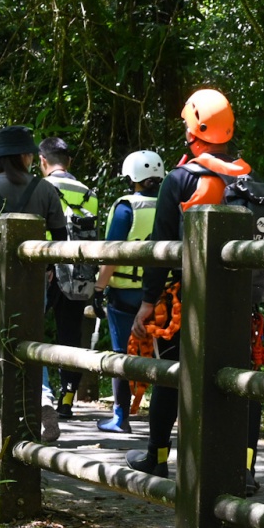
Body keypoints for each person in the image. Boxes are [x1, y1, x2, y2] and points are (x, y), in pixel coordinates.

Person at [125, 88, 264, 493]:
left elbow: (160, 247)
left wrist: (147, 304)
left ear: (194, 128)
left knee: (170, 377)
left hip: (185, 301)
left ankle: (157, 457)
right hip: (239, 301)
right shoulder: (250, 180)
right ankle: (244, 468)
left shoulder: (181, 179)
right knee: (243, 382)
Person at [0, 125, 68, 442]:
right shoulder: (45, 190)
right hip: (34, 281)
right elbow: (61, 237)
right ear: (23, 156)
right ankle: (43, 401)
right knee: (31, 343)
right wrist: (50, 269)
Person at [92, 150, 164, 433]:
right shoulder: (171, 205)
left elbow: (112, 253)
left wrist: (98, 288)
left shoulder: (125, 207)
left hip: (124, 291)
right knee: (160, 354)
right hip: (160, 292)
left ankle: (121, 418)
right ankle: (166, 417)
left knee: (121, 352)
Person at [39, 136, 101, 422]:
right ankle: (66, 399)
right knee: (71, 335)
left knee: (31, 329)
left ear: (43, 161)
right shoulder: (89, 193)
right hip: (79, 271)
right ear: (69, 162)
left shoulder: (42, 187)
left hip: (46, 267)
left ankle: (35, 394)